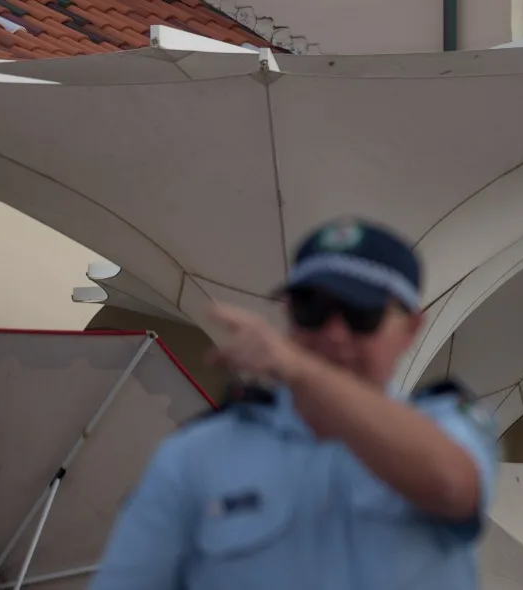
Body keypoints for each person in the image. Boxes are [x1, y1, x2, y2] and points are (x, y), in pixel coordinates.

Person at [91, 217, 498, 589]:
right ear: (288, 315)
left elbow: (452, 485)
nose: (334, 335)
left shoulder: (449, 426)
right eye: (312, 310)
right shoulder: (196, 453)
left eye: (361, 314)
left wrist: (303, 371)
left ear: (410, 329)